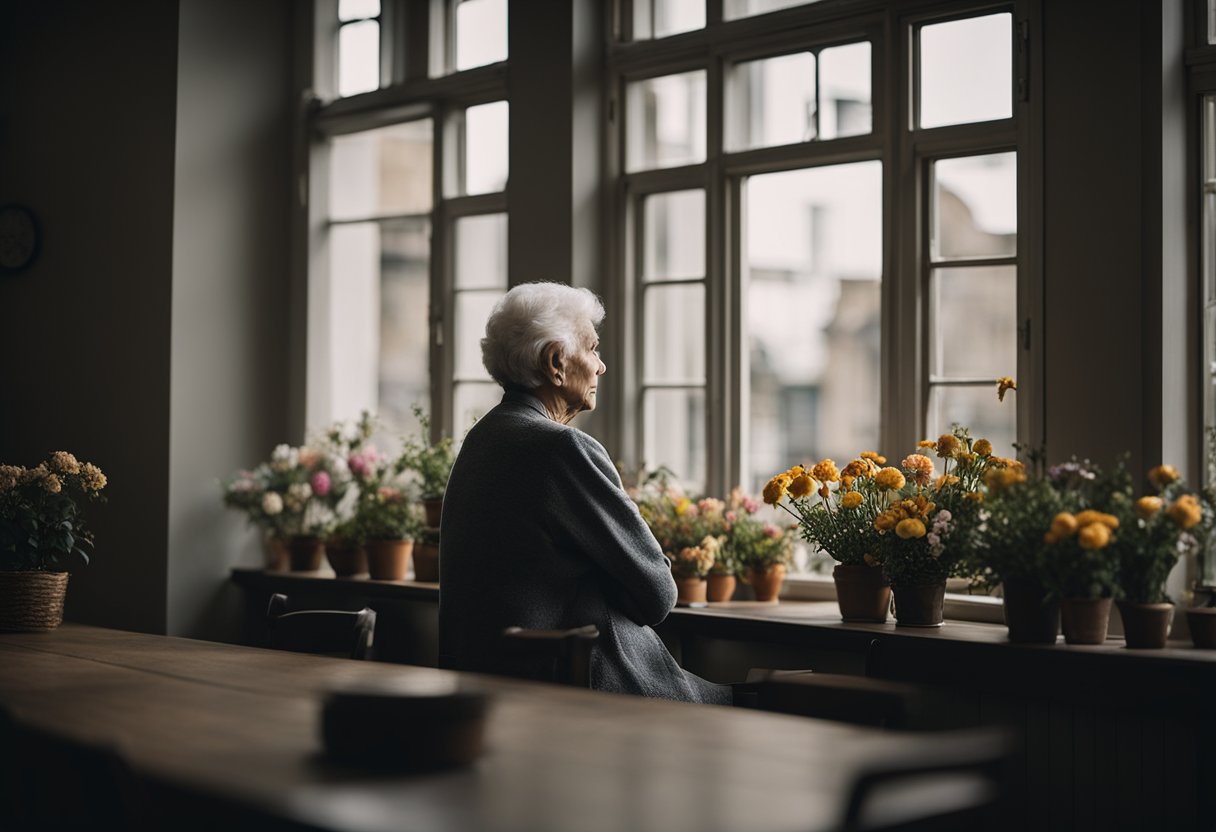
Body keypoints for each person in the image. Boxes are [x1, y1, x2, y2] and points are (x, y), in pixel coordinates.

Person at [439, 281, 730, 705]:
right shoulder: (561, 448)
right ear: (556, 363)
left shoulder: (482, 439)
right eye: (592, 349)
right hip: (580, 694)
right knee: (773, 703)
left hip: (501, 690)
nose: (601, 366)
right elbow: (659, 594)